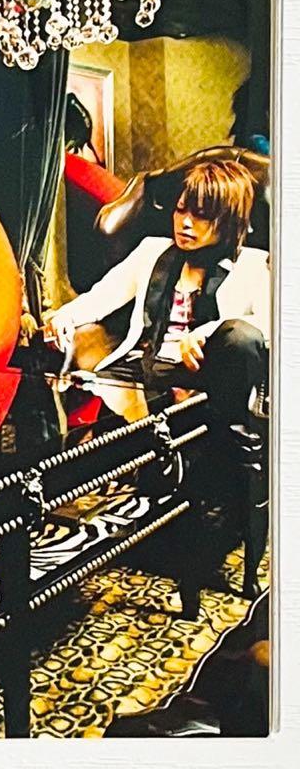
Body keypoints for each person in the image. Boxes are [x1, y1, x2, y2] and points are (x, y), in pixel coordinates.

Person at [43, 158, 269, 599]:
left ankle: (206, 498)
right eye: (181, 210)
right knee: (64, 423)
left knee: (238, 338)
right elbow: (102, 296)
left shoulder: (253, 266)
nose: (185, 223)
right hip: (147, 371)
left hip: (209, 381)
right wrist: (63, 317)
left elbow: (271, 326)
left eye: (201, 216)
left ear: (228, 221)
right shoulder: (152, 252)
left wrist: (208, 333)